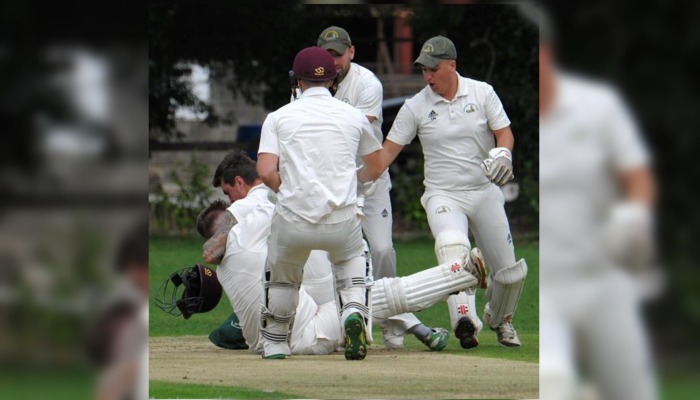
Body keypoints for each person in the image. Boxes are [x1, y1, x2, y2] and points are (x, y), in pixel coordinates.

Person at [203, 149, 448, 351]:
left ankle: (456, 278)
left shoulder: (249, 203)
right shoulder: (293, 187)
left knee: (368, 299)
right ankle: (424, 329)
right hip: (331, 258)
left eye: (228, 193)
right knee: (369, 295)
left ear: (238, 182)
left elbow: (212, 251)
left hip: (309, 277)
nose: (230, 201)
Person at [193, 197, 487, 356]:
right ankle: (462, 273)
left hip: (279, 335)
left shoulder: (228, 267)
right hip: (308, 336)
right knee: (375, 294)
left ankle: (452, 284)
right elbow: (277, 197)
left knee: (354, 291)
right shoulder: (249, 227)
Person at [379, 36, 528, 349]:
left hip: (484, 190)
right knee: (452, 247)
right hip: (443, 194)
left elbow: (504, 133)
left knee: (509, 274)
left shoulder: (482, 92)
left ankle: (501, 321)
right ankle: (465, 320)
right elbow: (385, 155)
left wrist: (504, 153)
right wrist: (350, 179)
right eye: (423, 70)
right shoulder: (416, 106)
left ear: (452, 65)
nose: (428, 76)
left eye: (434, 69)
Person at [539, 17, 658, 400]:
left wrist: (635, 214)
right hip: (550, 286)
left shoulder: (598, 105)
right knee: (552, 384)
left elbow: (638, 174)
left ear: (549, 53)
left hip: (603, 274)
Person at [256, 46, 386, 360]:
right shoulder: (354, 116)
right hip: (341, 221)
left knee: (283, 278)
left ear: (296, 80)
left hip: (293, 221)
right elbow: (377, 165)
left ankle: (275, 341)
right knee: (352, 260)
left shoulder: (278, 117)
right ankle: (352, 313)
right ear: (333, 80)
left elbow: (264, 171)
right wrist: (355, 181)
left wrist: (285, 187)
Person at [316, 25, 423, 350]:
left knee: (381, 250)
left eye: (338, 53)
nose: (333, 61)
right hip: (330, 186)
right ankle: (334, 324)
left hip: (369, 181)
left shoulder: (367, 84)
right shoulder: (308, 82)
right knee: (327, 256)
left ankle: (392, 322)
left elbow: (356, 133)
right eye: (327, 54)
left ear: (351, 52)